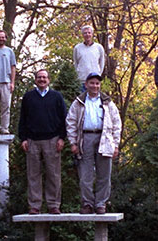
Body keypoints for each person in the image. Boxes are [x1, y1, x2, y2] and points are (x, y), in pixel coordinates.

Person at [66, 72, 122, 214]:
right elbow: (71, 122)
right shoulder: (78, 102)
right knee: (85, 175)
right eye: (92, 83)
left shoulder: (108, 102)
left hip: (104, 139)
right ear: (86, 85)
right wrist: (73, 142)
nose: (95, 86)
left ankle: (101, 204)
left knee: (104, 174)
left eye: (97, 83)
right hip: (85, 139)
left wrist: (115, 144)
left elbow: (117, 123)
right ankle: (87, 204)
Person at [19, 69, 66, 215]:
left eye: (44, 77)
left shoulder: (56, 97)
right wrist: (23, 138)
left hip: (52, 140)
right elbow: (23, 119)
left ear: (49, 80)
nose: (42, 79)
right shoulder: (28, 97)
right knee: (33, 175)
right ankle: (35, 205)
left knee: (53, 174)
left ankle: (53, 205)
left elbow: (64, 119)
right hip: (32, 140)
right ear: (35, 80)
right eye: (39, 77)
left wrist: (62, 138)